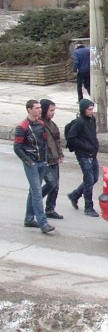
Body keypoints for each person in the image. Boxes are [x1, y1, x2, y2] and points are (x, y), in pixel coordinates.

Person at [13, 99, 55, 234]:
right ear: (29, 109)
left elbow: (44, 143)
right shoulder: (22, 126)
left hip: (42, 162)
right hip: (31, 164)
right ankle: (43, 223)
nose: (40, 110)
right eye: (36, 108)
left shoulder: (41, 124)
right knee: (36, 192)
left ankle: (29, 218)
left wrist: (46, 160)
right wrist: (28, 161)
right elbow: (17, 147)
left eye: (39, 108)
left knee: (39, 189)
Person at [67, 99, 100, 217]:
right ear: (83, 110)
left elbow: (92, 135)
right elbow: (72, 138)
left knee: (94, 178)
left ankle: (75, 195)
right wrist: (86, 146)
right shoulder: (79, 122)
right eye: (89, 109)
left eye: (92, 109)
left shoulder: (92, 119)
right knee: (89, 180)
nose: (91, 112)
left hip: (92, 154)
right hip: (84, 156)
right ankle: (88, 207)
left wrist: (94, 145)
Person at [40, 99, 64, 220]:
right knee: (51, 183)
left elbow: (57, 141)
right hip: (45, 161)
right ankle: (36, 201)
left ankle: (50, 209)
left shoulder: (52, 125)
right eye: (51, 110)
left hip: (54, 159)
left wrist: (60, 154)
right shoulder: (39, 125)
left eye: (54, 110)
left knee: (55, 186)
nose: (53, 113)